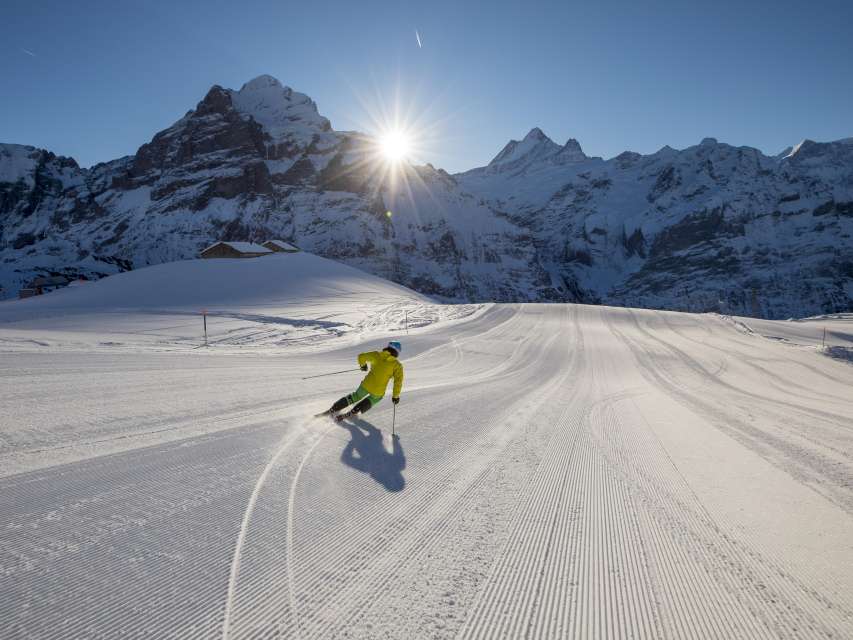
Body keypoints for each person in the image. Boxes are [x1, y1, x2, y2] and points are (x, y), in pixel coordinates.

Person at [321, 341, 404, 421]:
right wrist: (395, 396)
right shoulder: (397, 365)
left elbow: (361, 356)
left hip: (366, 384)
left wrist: (363, 365)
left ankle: (334, 408)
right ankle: (354, 411)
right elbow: (398, 382)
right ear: (397, 352)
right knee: (375, 398)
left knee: (356, 396)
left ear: (388, 347)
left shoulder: (376, 354)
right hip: (378, 390)